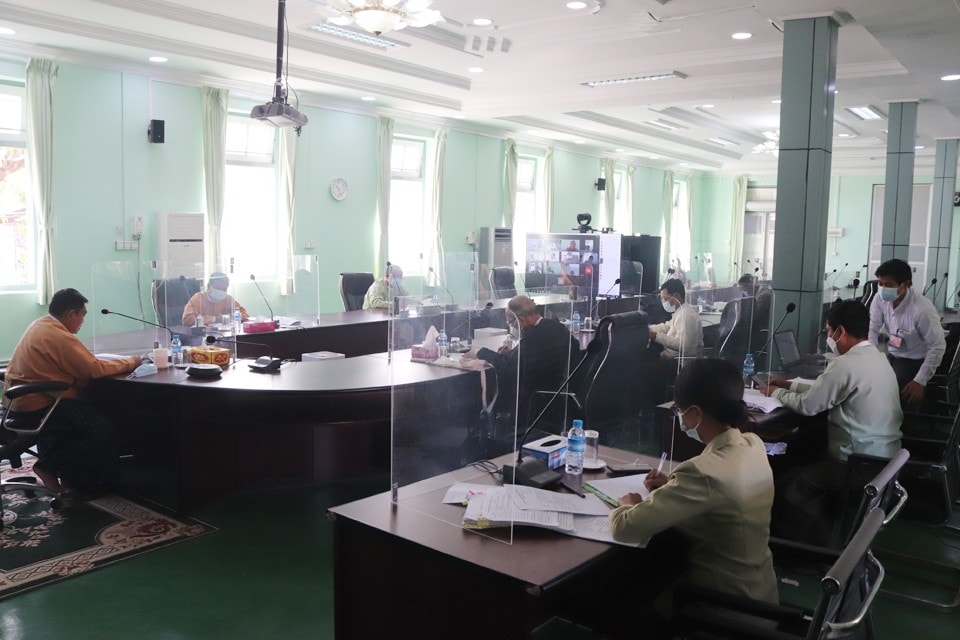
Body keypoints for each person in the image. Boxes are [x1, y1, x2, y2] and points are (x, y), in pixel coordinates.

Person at [610, 358, 778, 614]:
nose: (680, 416)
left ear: (696, 413)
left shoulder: (702, 472)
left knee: (622, 600)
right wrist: (672, 486)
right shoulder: (752, 443)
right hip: (760, 594)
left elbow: (625, 528)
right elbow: (722, 498)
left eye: (680, 410)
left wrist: (627, 506)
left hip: (724, 607)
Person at [761, 300, 902, 544]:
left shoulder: (845, 363)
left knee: (791, 484)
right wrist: (789, 385)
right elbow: (827, 390)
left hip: (857, 464)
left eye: (829, 332)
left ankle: (804, 550)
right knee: (801, 462)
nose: (829, 338)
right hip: (884, 457)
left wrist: (775, 392)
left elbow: (808, 405)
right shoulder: (877, 357)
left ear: (840, 331)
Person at [2, 288, 142, 494]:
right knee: (101, 429)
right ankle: (50, 468)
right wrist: (133, 362)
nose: (82, 322)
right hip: (39, 405)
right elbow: (93, 369)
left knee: (86, 418)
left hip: (19, 402)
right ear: (71, 314)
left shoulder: (40, 325)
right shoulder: (57, 335)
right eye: (82, 316)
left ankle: (69, 477)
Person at [464, 295, 582, 422]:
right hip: (558, 397)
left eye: (510, 323)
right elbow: (532, 358)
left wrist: (481, 352)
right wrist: (512, 353)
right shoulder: (557, 327)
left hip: (535, 405)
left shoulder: (534, 337)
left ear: (520, 320)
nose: (512, 327)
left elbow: (510, 369)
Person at [868, 258, 946, 405]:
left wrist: (920, 381)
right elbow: (873, 329)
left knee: (891, 392)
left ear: (906, 285)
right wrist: (871, 357)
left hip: (915, 360)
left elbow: (937, 346)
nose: (882, 289)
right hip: (892, 353)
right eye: (880, 284)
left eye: (888, 285)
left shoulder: (922, 310)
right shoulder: (879, 299)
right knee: (869, 382)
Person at [647, 279, 703, 360]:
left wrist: (655, 336)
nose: (664, 303)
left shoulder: (686, 316)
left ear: (677, 296)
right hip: (672, 359)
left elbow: (683, 346)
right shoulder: (680, 312)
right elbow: (667, 327)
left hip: (680, 363)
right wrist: (647, 329)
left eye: (666, 299)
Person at [181, 272, 248, 325]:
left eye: (224, 289)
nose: (221, 291)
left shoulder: (228, 299)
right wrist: (215, 319)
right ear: (209, 286)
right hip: (202, 335)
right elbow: (187, 319)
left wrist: (232, 317)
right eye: (219, 288)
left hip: (223, 334)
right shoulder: (199, 298)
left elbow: (244, 314)